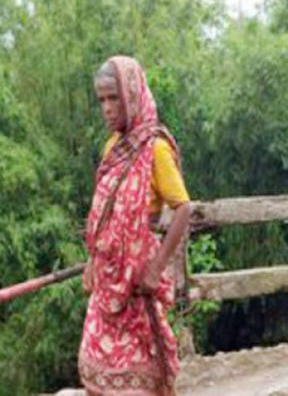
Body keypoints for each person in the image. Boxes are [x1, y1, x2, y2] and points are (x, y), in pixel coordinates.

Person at [79, 56, 193, 396]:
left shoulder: (155, 149)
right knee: (94, 368)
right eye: (101, 100)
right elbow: (104, 212)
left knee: (139, 377)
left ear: (132, 95)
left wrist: (156, 269)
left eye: (114, 98)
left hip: (135, 283)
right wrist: (91, 261)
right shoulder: (112, 148)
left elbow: (184, 209)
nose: (107, 109)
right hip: (107, 280)